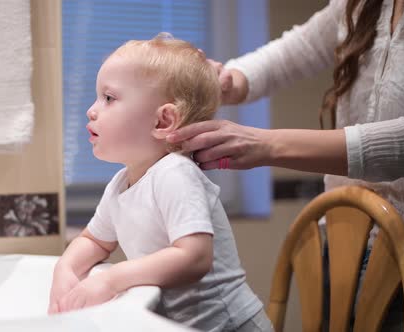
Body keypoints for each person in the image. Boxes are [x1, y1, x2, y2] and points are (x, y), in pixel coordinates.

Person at [166, 0, 404, 330]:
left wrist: (266, 145)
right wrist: (226, 81)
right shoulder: (357, 6)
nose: (93, 112)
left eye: (110, 98)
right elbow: (292, 54)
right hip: (344, 239)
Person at [47, 33, 273, 332]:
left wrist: (112, 279)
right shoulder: (120, 184)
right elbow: (94, 241)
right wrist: (65, 267)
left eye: (109, 98)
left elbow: (194, 257)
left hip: (231, 325)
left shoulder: (175, 174)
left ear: (163, 121)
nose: (92, 109)